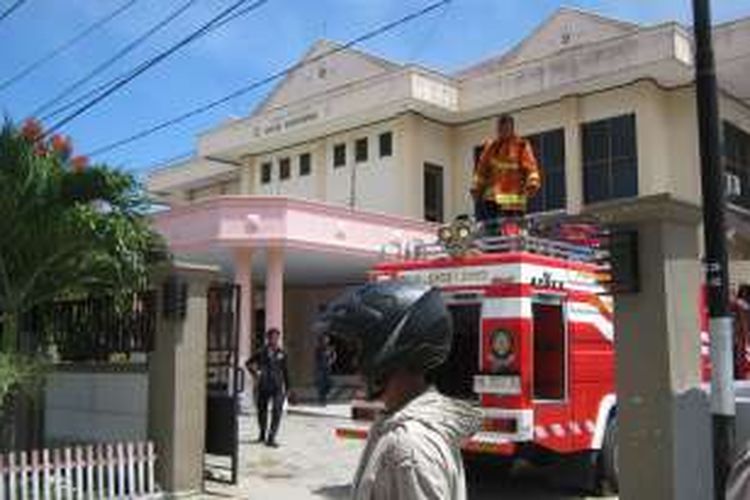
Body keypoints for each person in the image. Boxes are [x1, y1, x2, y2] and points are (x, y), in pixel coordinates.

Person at [314, 281, 482, 500]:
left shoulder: (410, 447)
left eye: (358, 349)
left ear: (389, 349)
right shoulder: (394, 425)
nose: (354, 363)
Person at [471, 114, 542, 233]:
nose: (502, 131)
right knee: (492, 229)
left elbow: (531, 167)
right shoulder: (491, 147)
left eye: (505, 128)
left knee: (512, 230)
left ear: (511, 128)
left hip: (513, 198)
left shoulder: (521, 146)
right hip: (492, 198)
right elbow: (481, 170)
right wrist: (476, 187)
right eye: (500, 128)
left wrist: (533, 183)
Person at [245, 328, 289, 447]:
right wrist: (255, 373)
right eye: (272, 337)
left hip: (277, 387)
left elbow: (286, 371)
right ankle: (262, 433)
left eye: (276, 337)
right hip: (264, 386)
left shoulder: (282, 353)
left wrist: (288, 388)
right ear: (268, 338)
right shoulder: (261, 352)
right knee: (262, 412)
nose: (274, 340)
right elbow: (248, 363)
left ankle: (271, 437)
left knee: (277, 411)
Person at [315, 334, 337, 405]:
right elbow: (316, 358)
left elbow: (334, 356)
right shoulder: (318, 349)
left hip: (328, 368)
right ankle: (322, 399)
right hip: (321, 368)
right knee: (321, 384)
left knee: (329, 383)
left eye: (327, 339)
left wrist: (331, 361)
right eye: (324, 339)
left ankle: (325, 395)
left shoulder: (330, 348)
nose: (325, 341)